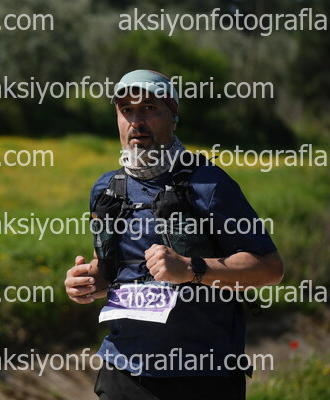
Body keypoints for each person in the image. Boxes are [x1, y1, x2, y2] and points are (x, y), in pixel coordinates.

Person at [64, 69, 284, 400]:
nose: (136, 121)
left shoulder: (210, 185)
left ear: (173, 117)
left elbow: (270, 268)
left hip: (201, 374)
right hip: (123, 368)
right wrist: (90, 280)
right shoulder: (106, 188)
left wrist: (192, 269)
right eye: (126, 110)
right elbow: (108, 267)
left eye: (149, 108)